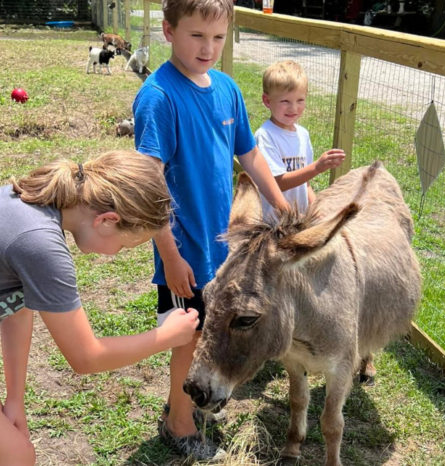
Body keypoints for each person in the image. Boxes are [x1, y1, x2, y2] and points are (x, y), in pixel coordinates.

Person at [0, 150, 200, 465]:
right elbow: (86, 357)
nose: (115, 253)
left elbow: (17, 310)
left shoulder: (36, 207)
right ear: (107, 220)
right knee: (15, 457)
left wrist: (14, 399)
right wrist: (167, 336)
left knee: (0, 453)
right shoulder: (40, 243)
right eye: (125, 245)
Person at [131, 0, 290, 460]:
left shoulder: (226, 89)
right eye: (197, 36)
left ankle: (190, 401)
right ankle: (179, 425)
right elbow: (149, 183)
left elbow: (251, 155)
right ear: (168, 30)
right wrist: (171, 256)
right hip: (185, 251)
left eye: (218, 38)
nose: (208, 48)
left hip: (226, 250)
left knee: (215, 331)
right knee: (190, 336)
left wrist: (282, 208)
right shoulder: (159, 97)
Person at [255, 60, 346, 220]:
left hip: (298, 222)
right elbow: (276, 183)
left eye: (300, 100)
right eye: (285, 101)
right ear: (267, 101)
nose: (294, 108)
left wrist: (316, 209)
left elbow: (305, 184)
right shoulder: (265, 136)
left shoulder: (303, 135)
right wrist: (317, 167)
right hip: (273, 226)